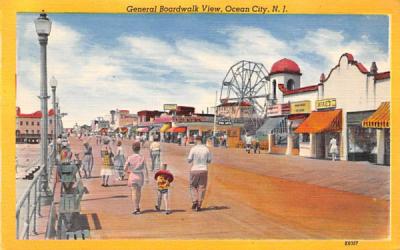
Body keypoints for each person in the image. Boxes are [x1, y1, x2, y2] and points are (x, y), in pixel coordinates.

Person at [187, 136, 212, 211]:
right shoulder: (206, 149)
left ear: (196, 140)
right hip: (204, 170)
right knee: (202, 187)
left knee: (192, 186)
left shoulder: (193, 149)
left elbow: (189, 160)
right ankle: (199, 204)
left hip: (194, 169)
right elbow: (209, 161)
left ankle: (195, 200)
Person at [124, 141, 149, 215]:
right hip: (140, 176)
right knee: (139, 192)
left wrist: (128, 171)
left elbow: (125, 168)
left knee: (134, 192)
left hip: (133, 175)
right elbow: (146, 169)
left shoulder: (130, 157)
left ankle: (136, 208)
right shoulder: (142, 157)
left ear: (133, 149)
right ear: (139, 149)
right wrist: (147, 178)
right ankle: (138, 206)